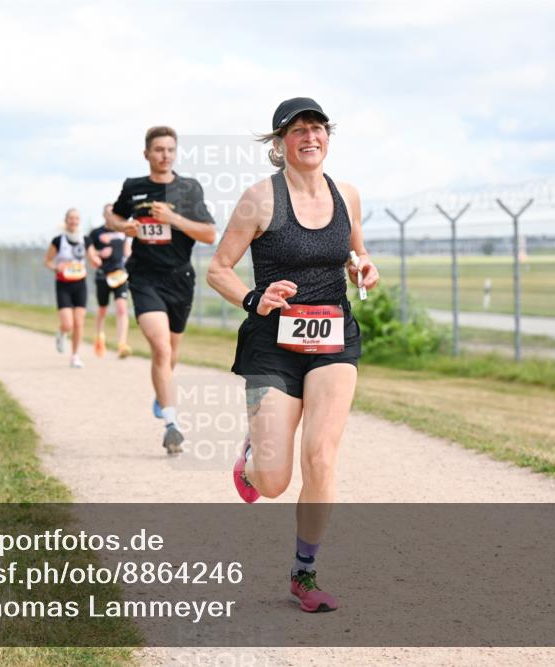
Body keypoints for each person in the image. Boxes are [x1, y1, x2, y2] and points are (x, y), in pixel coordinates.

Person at [206, 98, 380, 613]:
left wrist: (363, 268)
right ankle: (254, 456)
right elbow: (219, 268)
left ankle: (304, 574)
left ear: (328, 137)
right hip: (272, 347)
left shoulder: (346, 194)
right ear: (280, 143)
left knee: (322, 457)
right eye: (298, 130)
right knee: (275, 481)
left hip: (333, 340)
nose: (310, 137)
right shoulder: (260, 199)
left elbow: (356, 251)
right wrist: (253, 297)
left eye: (318, 128)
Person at [107, 126, 216, 454]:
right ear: (147, 154)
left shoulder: (188, 189)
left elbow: (209, 234)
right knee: (161, 349)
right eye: (158, 149)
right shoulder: (134, 187)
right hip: (144, 278)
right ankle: (172, 424)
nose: (164, 155)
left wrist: (173, 218)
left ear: (175, 152)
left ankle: (162, 389)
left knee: (172, 351)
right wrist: (121, 226)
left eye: (170, 149)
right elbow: (112, 214)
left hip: (179, 279)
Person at [44, 208, 91, 369]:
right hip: (63, 284)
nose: (73, 221)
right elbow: (48, 261)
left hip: (80, 284)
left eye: (76, 218)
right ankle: (62, 333)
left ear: (79, 221)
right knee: (68, 323)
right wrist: (57, 267)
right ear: (66, 220)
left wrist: (99, 260)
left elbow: (93, 258)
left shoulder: (85, 239)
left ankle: (75, 356)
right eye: (71, 218)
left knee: (79, 322)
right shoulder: (58, 240)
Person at [88, 203, 133, 359]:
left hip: (120, 275)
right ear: (104, 215)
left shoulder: (123, 231)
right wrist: (100, 254)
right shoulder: (95, 233)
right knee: (102, 310)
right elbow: (91, 255)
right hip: (103, 276)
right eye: (108, 213)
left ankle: (122, 344)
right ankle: (99, 336)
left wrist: (130, 262)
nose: (111, 215)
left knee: (122, 308)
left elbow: (128, 251)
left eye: (114, 213)